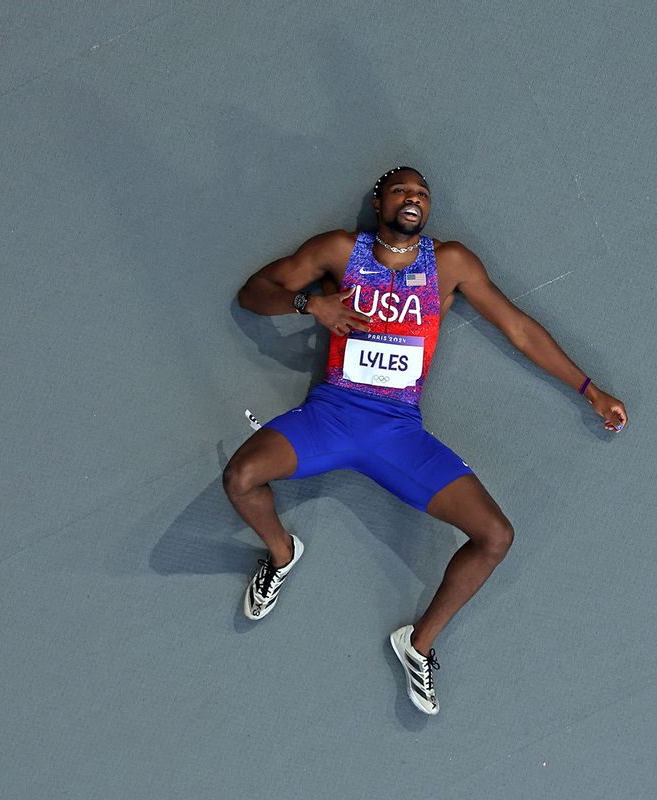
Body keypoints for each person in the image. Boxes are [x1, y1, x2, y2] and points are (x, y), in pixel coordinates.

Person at [224, 166, 627, 715]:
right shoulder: (339, 251)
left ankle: (417, 644)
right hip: (333, 416)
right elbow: (254, 293)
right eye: (402, 191)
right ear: (379, 200)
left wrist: (590, 389)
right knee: (241, 478)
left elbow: (520, 329)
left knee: (495, 535)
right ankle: (281, 552)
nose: (413, 199)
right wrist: (309, 305)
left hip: (397, 431)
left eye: (422, 194)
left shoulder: (451, 264)